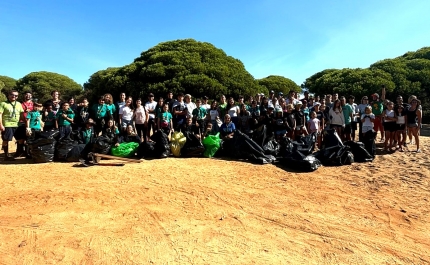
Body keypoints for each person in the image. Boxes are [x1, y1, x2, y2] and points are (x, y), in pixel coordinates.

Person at [0, 90, 25, 160]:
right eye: (12, 95)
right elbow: (0, 115)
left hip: (17, 125)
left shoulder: (19, 104)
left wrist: (26, 124)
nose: (14, 96)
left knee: (20, 139)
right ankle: (6, 155)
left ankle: (19, 153)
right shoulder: (3, 104)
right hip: (7, 124)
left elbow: (22, 115)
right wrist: (1, 125)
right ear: (8, 95)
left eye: (16, 95)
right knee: (6, 140)